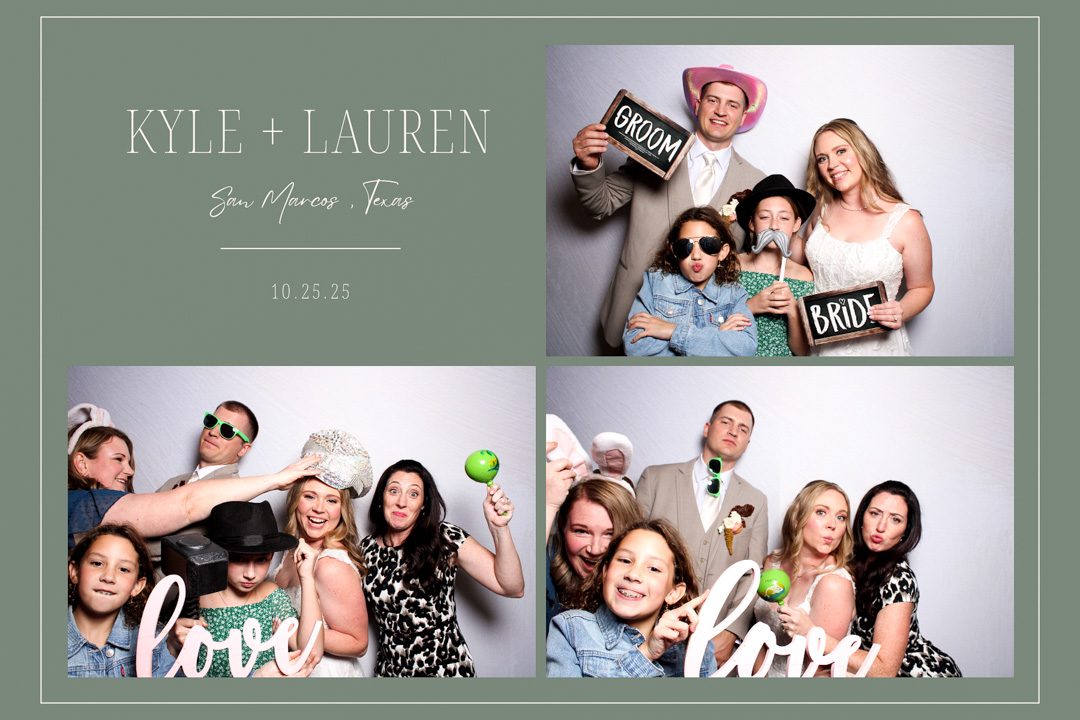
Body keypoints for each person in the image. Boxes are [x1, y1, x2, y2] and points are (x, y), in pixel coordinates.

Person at [571, 65, 768, 348]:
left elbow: (756, 257)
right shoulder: (655, 151)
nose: (721, 111)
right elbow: (600, 203)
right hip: (635, 309)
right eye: (713, 100)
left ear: (743, 116)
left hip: (709, 329)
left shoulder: (756, 182)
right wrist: (588, 164)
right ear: (698, 105)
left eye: (732, 104)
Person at [361, 459, 525, 676]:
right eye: (393, 491)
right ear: (382, 497)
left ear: (423, 504)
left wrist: (499, 528)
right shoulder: (365, 550)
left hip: (446, 671)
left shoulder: (444, 538)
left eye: (413, 494)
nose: (402, 502)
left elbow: (512, 587)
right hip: (391, 673)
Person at [635, 400, 768, 664]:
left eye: (743, 429)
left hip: (712, 639)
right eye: (726, 422)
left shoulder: (756, 500)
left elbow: (753, 573)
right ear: (707, 428)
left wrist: (732, 631)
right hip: (648, 630)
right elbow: (629, 551)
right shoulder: (655, 479)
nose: (733, 431)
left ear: (747, 443)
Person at [796, 118, 934, 356]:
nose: (832, 164)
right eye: (822, 158)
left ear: (863, 151)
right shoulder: (822, 208)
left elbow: (923, 287)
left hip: (877, 349)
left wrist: (900, 310)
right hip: (823, 348)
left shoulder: (906, 220)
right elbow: (800, 262)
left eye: (841, 151)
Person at [67, 420, 319, 550]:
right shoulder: (78, 503)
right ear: (81, 463)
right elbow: (187, 503)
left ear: (244, 448)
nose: (131, 470)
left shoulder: (235, 497)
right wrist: (275, 479)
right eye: (118, 459)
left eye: (129, 461)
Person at [810, 481, 962, 677]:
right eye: (875, 514)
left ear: (906, 530)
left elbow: (884, 670)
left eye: (895, 519)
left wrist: (813, 635)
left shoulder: (899, 579)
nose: (881, 527)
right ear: (862, 517)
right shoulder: (847, 558)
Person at [547, 519, 715, 677]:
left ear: (674, 592)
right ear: (605, 572)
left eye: (653, 569)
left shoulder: (696, 648)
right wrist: (647, 652)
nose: (633, 574)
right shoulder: (570, 629)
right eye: (625, 560)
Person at [181, 501, 324, 678]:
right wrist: (173, 642)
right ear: (218, 554)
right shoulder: (195, 598)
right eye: (239, 559)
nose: (250, 574)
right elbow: (166, 662)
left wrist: (307, 577)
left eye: (261, 560)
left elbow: (311, 653)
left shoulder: (271, 597)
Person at [274, 430, 373, 677]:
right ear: (296, 501)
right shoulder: (290, 550)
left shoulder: (331, 565)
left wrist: (294, 633)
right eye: (310, 496)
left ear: (342, 510)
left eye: (331, 500)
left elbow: (358, 643)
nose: (319, 508)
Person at [752, 480, 855, 677]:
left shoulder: (834, 585)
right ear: (798, 517)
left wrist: (809, 634)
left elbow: (820, 670)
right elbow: (757, 636)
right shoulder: (772, 562)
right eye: (821, 512)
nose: (832, 525)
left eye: (841, 517)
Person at [623, 206, 756, 357]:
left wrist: (671, 330)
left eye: (708, 244)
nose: (696, 255)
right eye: (685, 246)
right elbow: (635, 348)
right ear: (674, 251)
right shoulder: (655, 282)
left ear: (722, 252)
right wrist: (715, 338)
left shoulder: (735, 294)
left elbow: (746, 350)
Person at [67, 524, 175, 677]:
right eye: (97, 563)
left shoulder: (155, 641)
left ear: (137, 586)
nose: (108, 577)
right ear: (75, 571)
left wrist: (174, 649)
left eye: (123, 569)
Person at [734, 175, 817, 356]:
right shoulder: (732, 267)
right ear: (752, 223)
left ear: (796, 224)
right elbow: (711, 329)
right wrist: (750, 307)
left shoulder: (804, 277)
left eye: (784, 218)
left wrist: (793, 310)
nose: (774, 226)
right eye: (764, 217)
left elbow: (802, 352)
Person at [546, 476, 643, 628]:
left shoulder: (646, 596)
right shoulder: (547, 576)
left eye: (610, 534)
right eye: (581, 531)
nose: (595, 549)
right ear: (562, 527)